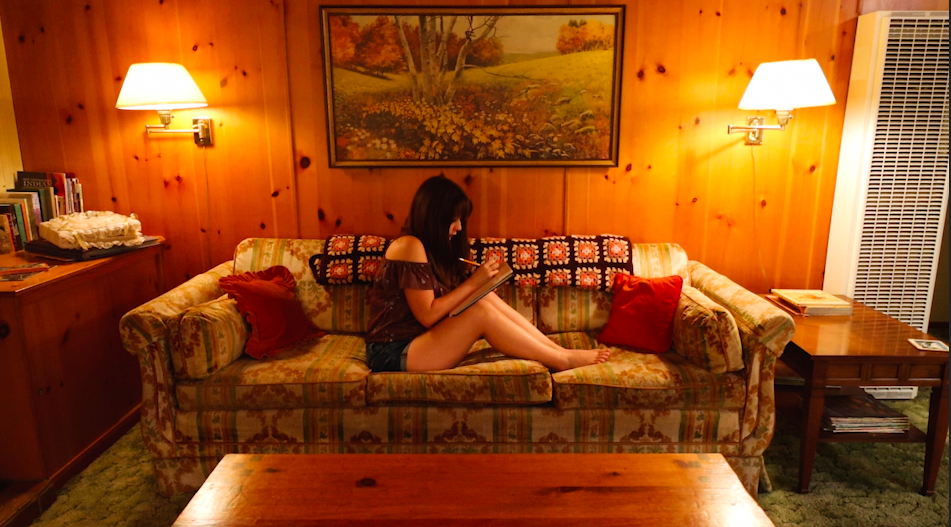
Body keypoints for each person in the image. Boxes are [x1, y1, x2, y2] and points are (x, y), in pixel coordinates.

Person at [365, 175, 611, 373]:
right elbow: (427, 315)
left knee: (484, 299)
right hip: (394, 352)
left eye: (461, 220)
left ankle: (559, 352)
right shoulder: (409, 245)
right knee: (480, 312)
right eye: (453, 220)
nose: (459, 227)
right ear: (433, 218)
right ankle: (561, 360)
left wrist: (479, 287)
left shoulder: (430, 248)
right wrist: (474, 282)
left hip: (418, 342)